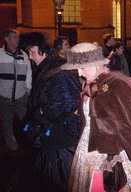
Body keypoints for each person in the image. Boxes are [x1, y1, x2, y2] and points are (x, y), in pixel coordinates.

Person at [60, 42, 131, 192]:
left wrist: (124, 152)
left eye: (82, 68)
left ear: (96, 64)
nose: (79, 74)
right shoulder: (89, 84)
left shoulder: (118, 81)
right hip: (87, 148)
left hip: (114, 151)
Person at [22, 32, 82, 191]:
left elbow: (66, 103)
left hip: (60, 140)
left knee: (60, 182)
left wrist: (41, 111)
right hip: (51, 139)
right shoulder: (47, 68)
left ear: (42, 50)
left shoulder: (57, 70)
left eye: (32, 52)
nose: (30, 57)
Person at [0, 29, 32, 151]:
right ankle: (12, 146)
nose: (18, 39)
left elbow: (28, 75)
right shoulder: (0, 55)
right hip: (4, 97)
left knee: (26, 121)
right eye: (15, 37)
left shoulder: (24, 56)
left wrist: (28, 91)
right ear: (7, 39)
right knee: (6, 123)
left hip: (21, 95)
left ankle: (29, 140)